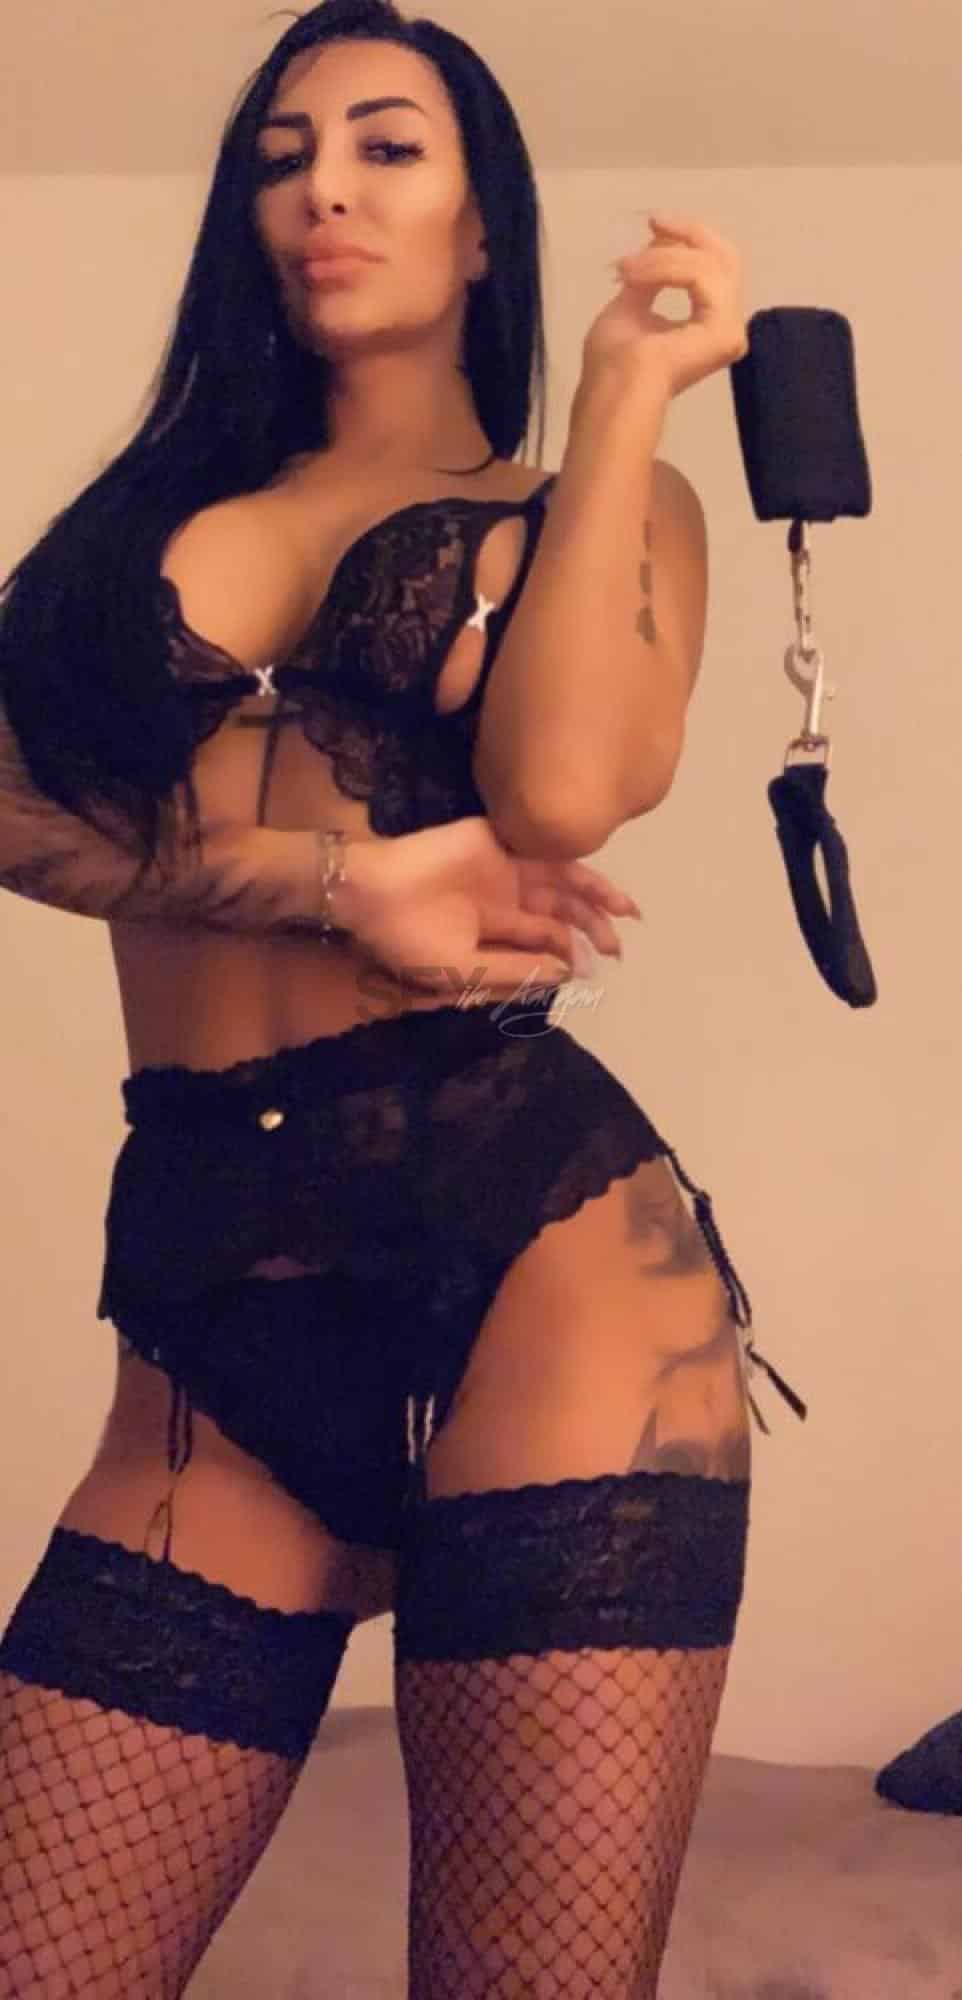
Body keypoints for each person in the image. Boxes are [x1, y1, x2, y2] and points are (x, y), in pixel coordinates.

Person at [0, 3, 802, 1993]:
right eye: (281, 157)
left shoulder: (590, 504)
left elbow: (559, 789)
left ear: (481, 224)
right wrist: (343, 880)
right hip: (209, 1273)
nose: (324, 192)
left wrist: (622, 396)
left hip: (537, 1253)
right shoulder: (130, 530)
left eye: (385, 147)